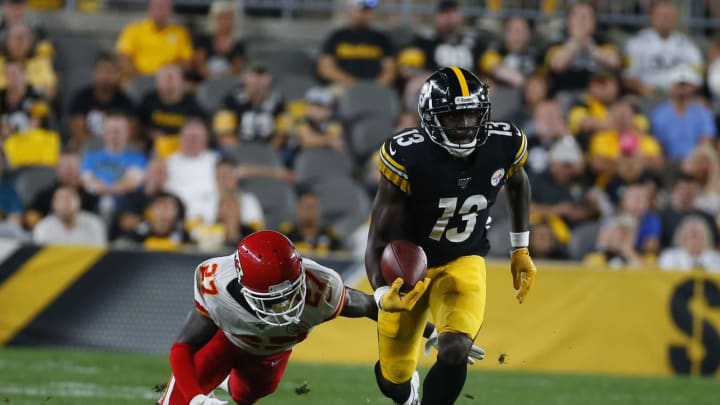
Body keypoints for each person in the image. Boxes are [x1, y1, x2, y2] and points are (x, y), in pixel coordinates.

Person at [365, 66, 536, 405]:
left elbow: (518, 184)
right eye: (454, 117)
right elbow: (378, 238)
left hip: (463, 260)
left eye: (472, 114)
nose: (465, 125)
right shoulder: (409, 156)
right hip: (409, 270)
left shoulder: (503, 143)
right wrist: (384, 292)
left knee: (456, 349)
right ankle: (407, 391)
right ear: (430, 119)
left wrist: (521, 248)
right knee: (392, 381)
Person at [156, 230, 483, 404]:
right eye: (274, 300)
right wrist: (197, 399)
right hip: (227, 341)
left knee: (247, 395)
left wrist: (429, 332)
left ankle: (229, 383)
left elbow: (372, 307)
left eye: (290, 295)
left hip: (271, 354)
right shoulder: (216, 287)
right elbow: (181, 347)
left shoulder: (319, 289)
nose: (285, 308)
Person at [623, 1, 703, 96]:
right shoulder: (636, 43)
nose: (666, 19)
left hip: (681, 97)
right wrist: (641, 88)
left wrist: (685, 90)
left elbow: (698, 76)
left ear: (676, 19)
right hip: (646, 96)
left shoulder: (687, 45)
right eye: (662, 15)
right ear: (652, 17)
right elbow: (628, 77)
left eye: (670, 16)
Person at [544, 2, 620, 95]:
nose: (581, 21)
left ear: (594, 22)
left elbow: (614, 63)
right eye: (577, 16)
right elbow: (558, 65)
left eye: (586, 16)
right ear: (568, 21)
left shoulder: (604, 42)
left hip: (599, 95)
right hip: (565, 93)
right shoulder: (557, 43)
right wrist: (576, 41)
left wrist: (591, 47)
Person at [317, 0, 395, 87]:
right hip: (342, 86)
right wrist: (352, 83)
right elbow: (326, 68)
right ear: (350, 10)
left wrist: (376, 86)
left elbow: (390, 69)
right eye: (360, 10)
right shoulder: (336, 37)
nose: (364, 14)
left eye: (368, 10)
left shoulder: (381, 38)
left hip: (375, 87)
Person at [650, 65, 717, 163]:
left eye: (685, 85)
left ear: (692, 87)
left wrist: (694, 162)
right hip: (668, 163)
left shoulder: (703, 114)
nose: (682, 89)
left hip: (696, 162)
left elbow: (706, 142)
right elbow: (658, 146)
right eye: (679, 85)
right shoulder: (659, 114)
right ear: (671, 86)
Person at [68, 53, 135, 150]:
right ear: (94, 73)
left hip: (117, 150)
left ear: (117, 75)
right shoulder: (81, 97)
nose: (106, 76)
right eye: (102, 71)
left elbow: (131, 132)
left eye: (111, 72)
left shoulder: (126, 101)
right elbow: (78, 131)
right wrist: (97, 150)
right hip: (87, 149)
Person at [115, 0, 192, 84]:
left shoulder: (181, 33)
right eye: (158, 7)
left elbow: (186, 62)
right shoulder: (133, 30)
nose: (161, 11)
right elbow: (123, 59)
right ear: (149, 9)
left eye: (165, 7)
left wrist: (168, 76)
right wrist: (139, 77)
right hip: (137, 79)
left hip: (168, 82)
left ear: (171, 10)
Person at [137, 64, 204, 157]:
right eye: (165, 79)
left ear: (182, 81)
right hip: (153, 150)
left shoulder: (192, 103)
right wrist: (150, 134)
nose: (169, 82)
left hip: (184, 149)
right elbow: (138, 126)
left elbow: (200, 129)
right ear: (157, 82)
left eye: (172, 78)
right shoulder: (148, 100)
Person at [32, 186, 107, 246]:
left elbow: (98, 256)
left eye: (69, 199)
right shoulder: (43, 228)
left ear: (79, 203)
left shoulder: (94, 224)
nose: (65, 204)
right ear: (53, 204)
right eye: (61, 200)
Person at [191, 0, 245, 81]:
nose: (225, 21)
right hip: (203, 83)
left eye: (229, 17)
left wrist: (222, 79)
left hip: (227, 84)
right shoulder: (203, 40)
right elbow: (198, 66)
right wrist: (213, 77)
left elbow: (237, 69)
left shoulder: (239, 45)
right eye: (222, 17)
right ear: (214, 18)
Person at [480, 15, 540, 88]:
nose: (517, 35)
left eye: (521, 31)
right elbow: (489, 64)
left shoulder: (536, 55)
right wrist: (524, 82)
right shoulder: (496, 50)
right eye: (512, 30)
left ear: (529, 34)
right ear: (505, 33)